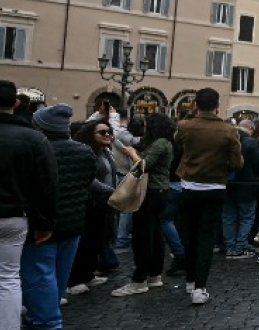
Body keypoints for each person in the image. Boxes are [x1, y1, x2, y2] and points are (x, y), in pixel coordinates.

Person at [0, 81, 57, 330]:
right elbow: (47, 185)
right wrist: (44, 223)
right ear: (17, 104)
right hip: (13, 216)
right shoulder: (34, 138)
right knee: (8, 278)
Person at [16, 102, 78, 330]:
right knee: (58, 273)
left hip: (45, 221)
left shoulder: (38, 150)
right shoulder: (83, 150)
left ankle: (46, 321)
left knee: (39, 271)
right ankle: (48, 313)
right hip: (73, 223)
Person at [174, 89, 243, 305]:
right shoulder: (229, 130)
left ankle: (189, 280)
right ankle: (200, 287)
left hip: (188, 186)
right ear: (217, 105)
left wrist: (189, 113)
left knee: (189, 233)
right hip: (214, 187)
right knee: (206, 236)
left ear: (195, 104)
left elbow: (177, 140)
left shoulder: (185, 126)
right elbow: (237, 163)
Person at [111, 114, 177, 295]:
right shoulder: (165, 142)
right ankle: (154, 274)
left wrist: (132, 154)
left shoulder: (160, 143)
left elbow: (143, 166)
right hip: (159, 191)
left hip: (151, 192)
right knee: (154, 233)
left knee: (143, 235)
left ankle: (139, 279)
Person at [67, 119, 119, 293]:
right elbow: (90, 180)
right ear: (91, 134)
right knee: (85, 239)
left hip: (103, 201)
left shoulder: (105, 151)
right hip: (90, 201)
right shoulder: (87, 152)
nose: (107, 135)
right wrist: (112, 191)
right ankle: (75, 279)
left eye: (108, 131)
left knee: (97, 238)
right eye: (102, 132)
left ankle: (88, 273)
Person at [221, 119, 259, 259]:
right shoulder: (251, 142)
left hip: (228, 183)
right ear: (250, 128)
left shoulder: (226, 138)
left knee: (228, 216)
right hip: (247, 184)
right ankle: (240, 246)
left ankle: (229, 247)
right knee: (247, 217)